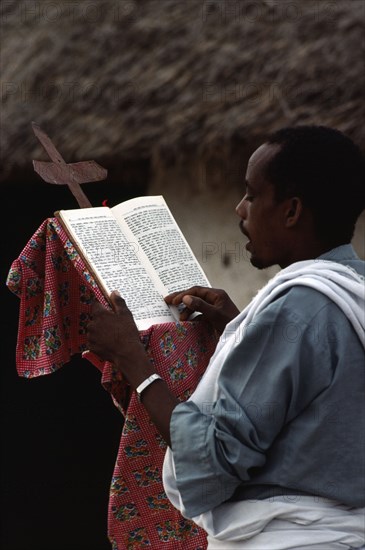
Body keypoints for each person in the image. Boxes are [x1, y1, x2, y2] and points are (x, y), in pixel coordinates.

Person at [86, 125, 365, 549]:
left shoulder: (297, 308)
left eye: (252, 195)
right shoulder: (351, 293)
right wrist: (239, 328)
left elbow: (214, 459)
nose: (240, 209)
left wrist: (133, 362)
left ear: (291, 211)